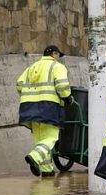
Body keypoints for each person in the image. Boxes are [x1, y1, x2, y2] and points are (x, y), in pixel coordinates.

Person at [16, 45, 73, 177]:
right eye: (58, 55)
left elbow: (19, 84)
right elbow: (62, 85)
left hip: (28, 107)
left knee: (41, 140)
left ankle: (47, 169)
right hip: (49, 106)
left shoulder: (32, 67)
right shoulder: (57, 67)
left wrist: (29, 95)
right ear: (54, 54)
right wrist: (67, 98)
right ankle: (35, 157)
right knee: (51, 138)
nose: (59, 58)